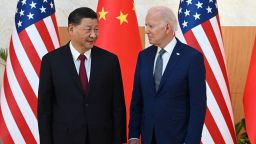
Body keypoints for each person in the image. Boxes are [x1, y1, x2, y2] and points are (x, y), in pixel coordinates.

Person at [38, 7, 126, 144]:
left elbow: (118, 106)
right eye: (88, 29)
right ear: (71, 29)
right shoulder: (51, 61)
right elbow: (44, 108)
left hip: (102, 138)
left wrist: (119, 140)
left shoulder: (110, 61)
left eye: (96, 29)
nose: (93, 35)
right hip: (64, 138)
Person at [128, 6, 207, 144]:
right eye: (146, 25)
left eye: (151, 26)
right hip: (148, 137)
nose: (146, 31)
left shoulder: (192, 58)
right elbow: (137, 100)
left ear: (167, 27)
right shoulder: (143, 57)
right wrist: (134, 135)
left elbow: (198, 106)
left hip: (177, 138)